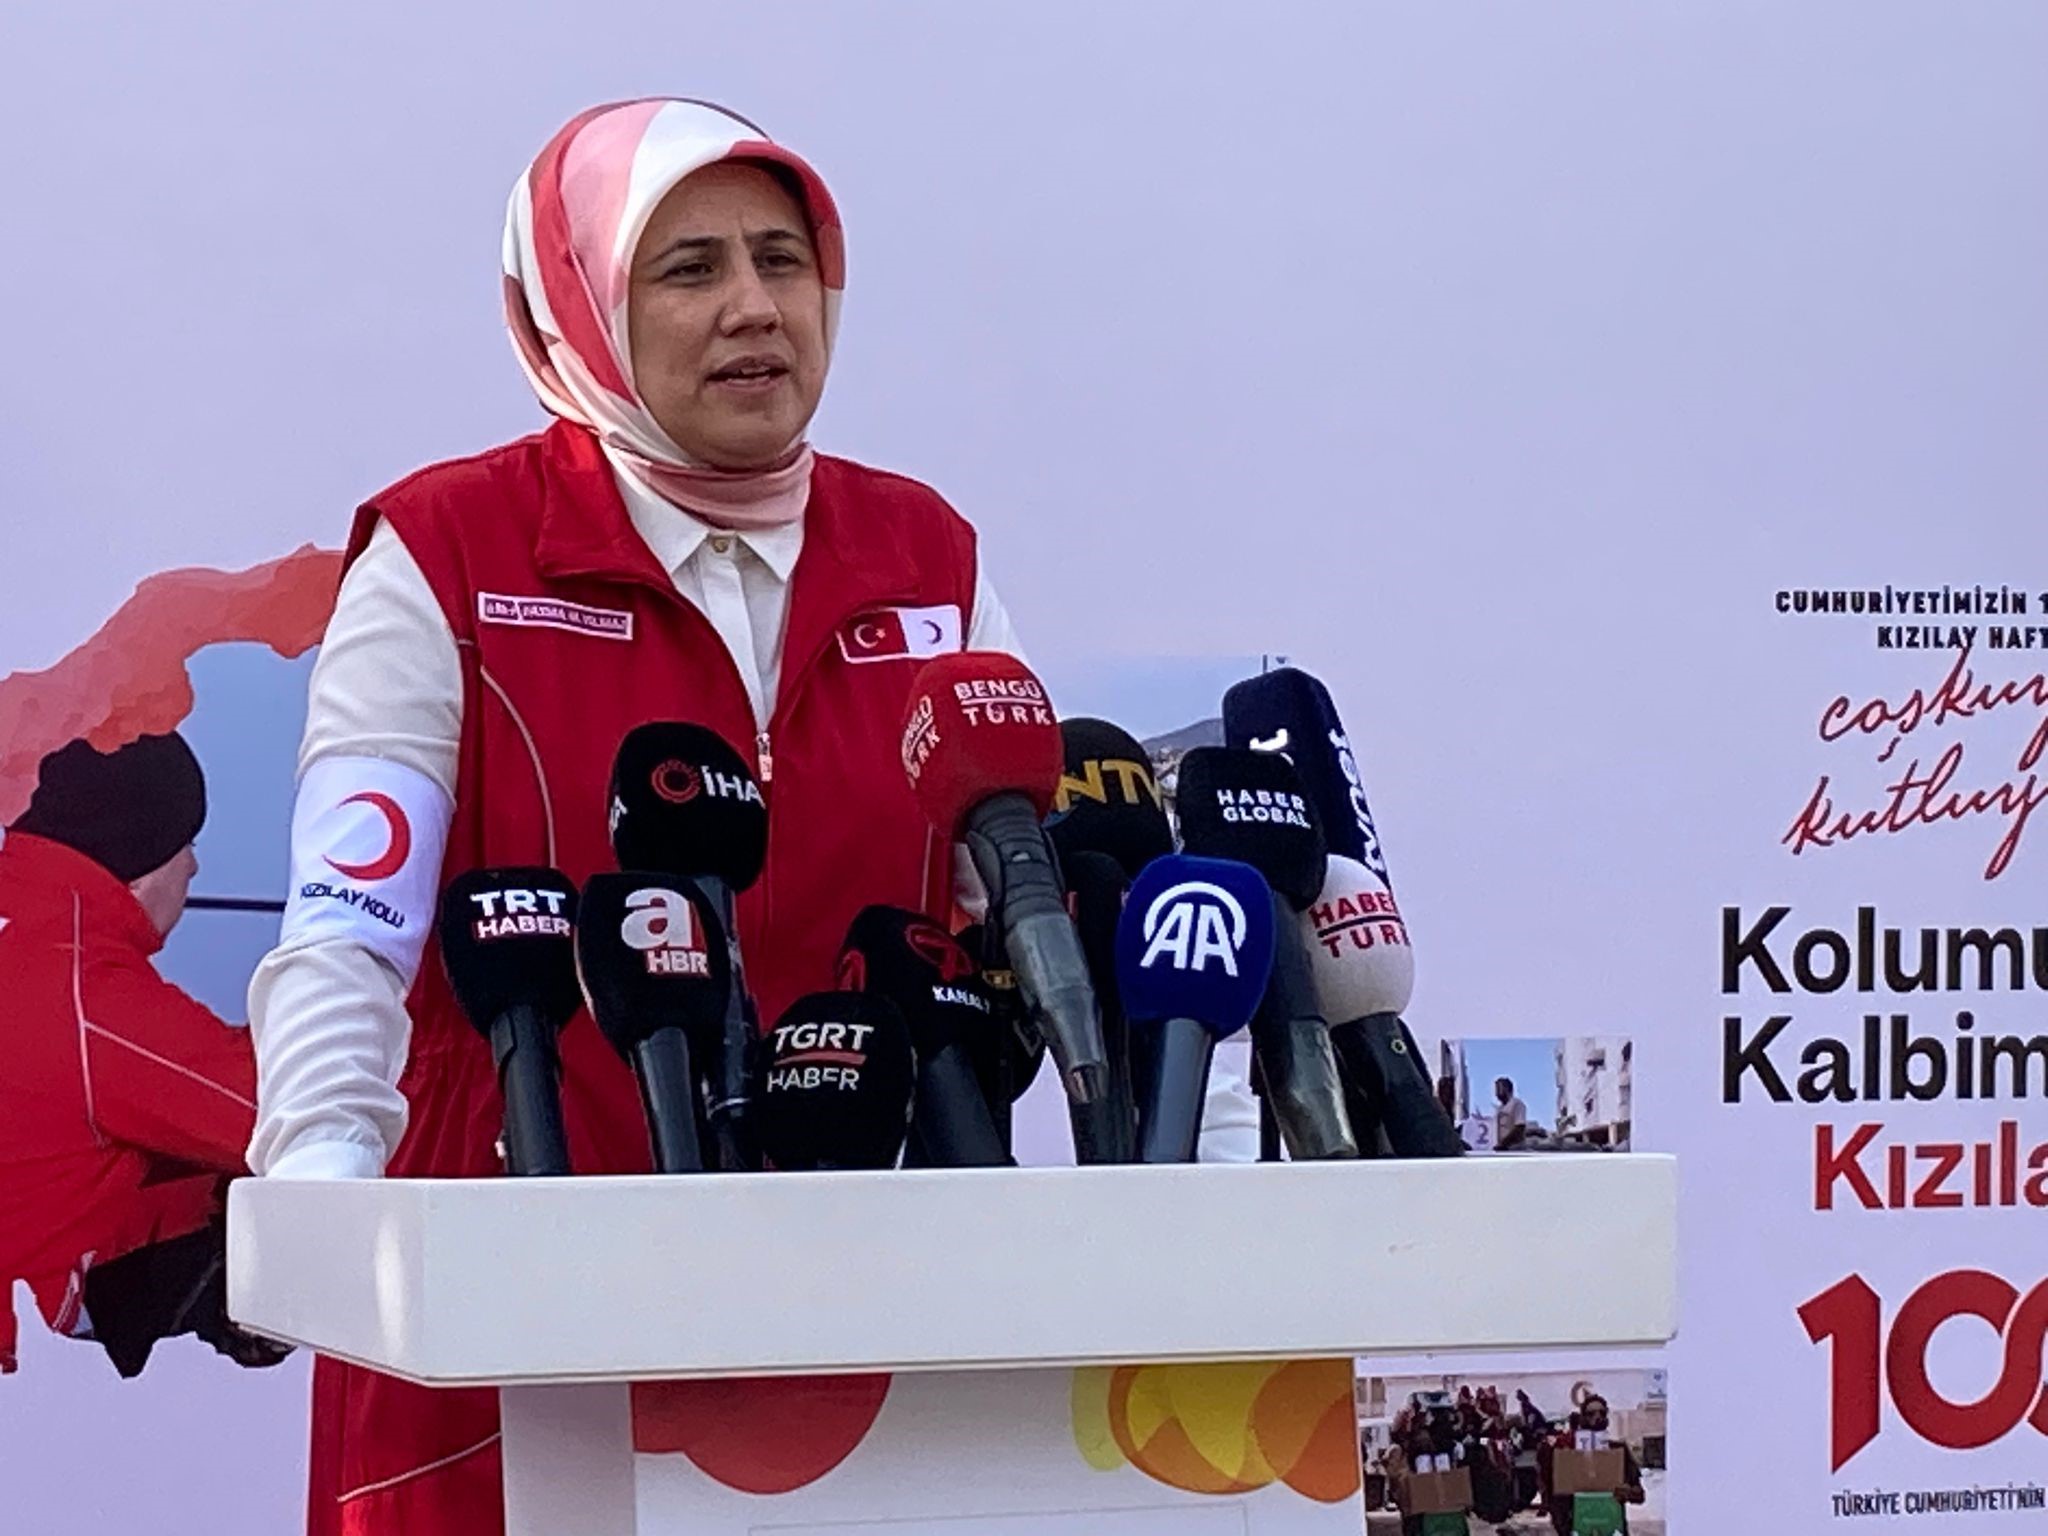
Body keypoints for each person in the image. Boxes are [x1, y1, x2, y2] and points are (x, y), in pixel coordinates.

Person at [245, 98, 1254, 1536]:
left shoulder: (928, 556)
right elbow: (350, 936)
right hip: (507, 1329)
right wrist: (329, 1209)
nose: (754, 309)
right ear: (576, 304)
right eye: (688, 267)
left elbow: (1036, 907)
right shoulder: (445, 555)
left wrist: (1221, 1198)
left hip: (862, 1324)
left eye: (784, 259)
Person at [0, 733, 278, 1376]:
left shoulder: (30, 938)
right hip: (46, 1384)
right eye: (188, 842)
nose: (195, 869)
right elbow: (285, 1120)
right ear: (141, 854)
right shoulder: (80, 990)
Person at [1537, 1393, 1646, 1535]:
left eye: (1602, 1413)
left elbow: (1639, 1494)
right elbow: (1552, 1495)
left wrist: (1628, 1492)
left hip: (1611, 1528)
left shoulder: (1618, 1451)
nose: (1597, 1417)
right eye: (1591, 1413)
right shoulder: (1568, 1454)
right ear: (1582, 1417)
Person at [1494, 1076, 1529, 1149]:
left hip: (1514, 1149)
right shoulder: (1499, 1109)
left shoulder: (1517, 1104)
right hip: (1502, 1149)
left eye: (1498, 1089)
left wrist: (1504, 1143)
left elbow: (1520, 1128)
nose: (1496, 1093)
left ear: (1506, 1089)